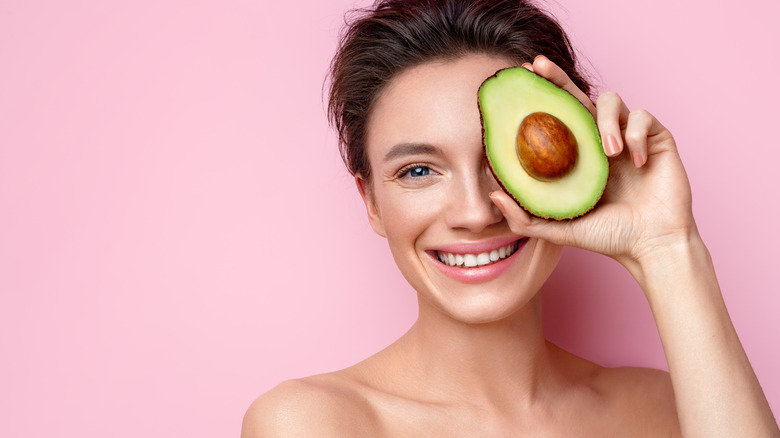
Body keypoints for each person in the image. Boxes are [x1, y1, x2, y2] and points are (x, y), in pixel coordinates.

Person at [242, 0, 779, 436]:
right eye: (418, 171)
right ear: (371, 203)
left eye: (501, 162)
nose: (475, 213)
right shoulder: (314, 422)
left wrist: (667, 245)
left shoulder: (665, 410)